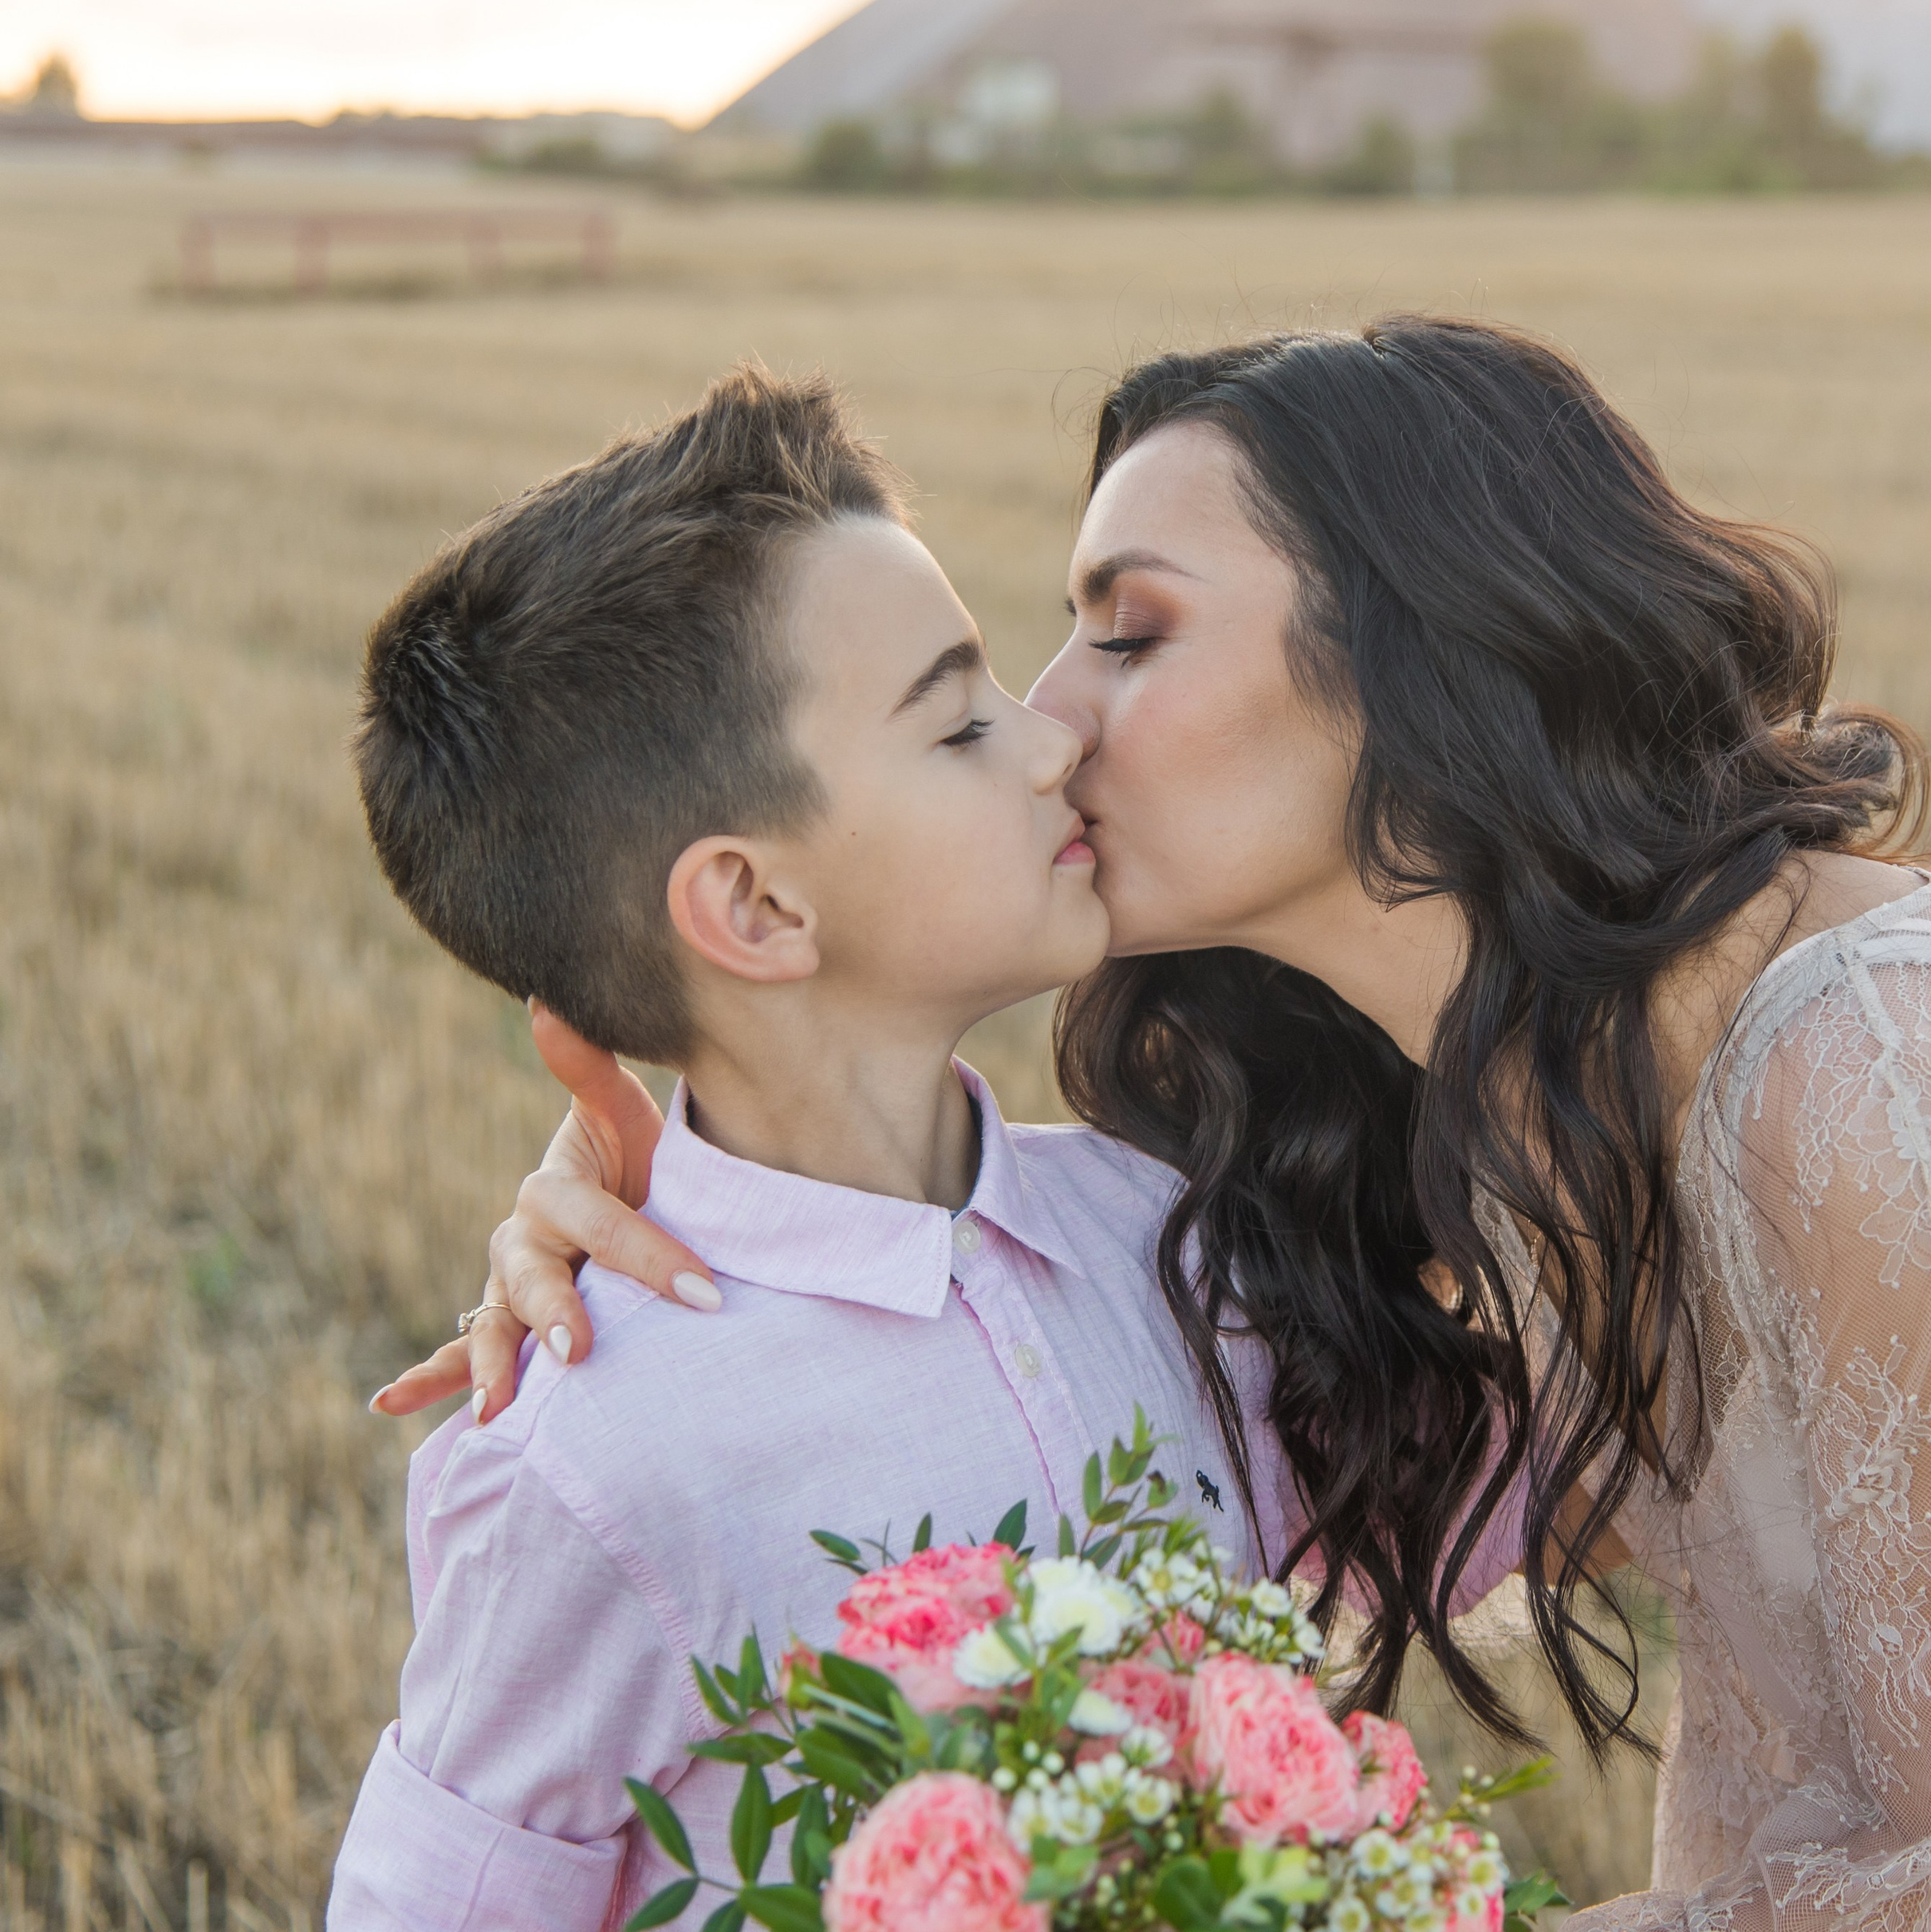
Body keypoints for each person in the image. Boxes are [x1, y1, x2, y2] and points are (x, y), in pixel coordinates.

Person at [409, 320, 1931, 1929]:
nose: (1050, 723)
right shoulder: (1476, 1122)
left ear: (1420, 657)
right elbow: (1561, 1465)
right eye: (984, 697)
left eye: (1129, 634)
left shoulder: (1891, 1077)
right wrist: (731, 1215)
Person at [330, 366, 1330, 1930]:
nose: (1051, 739)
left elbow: (1568, 1471)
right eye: (959, 721)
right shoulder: (589, 1466)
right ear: (757, 906)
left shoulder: (1172, 1236)